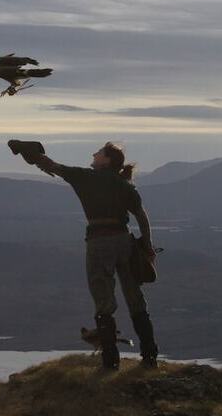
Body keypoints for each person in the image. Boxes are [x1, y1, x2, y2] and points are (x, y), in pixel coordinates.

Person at [27, 141, 159, 370]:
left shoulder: (85, 177)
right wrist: (147, 247)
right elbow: (142, 217)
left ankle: (110, 362)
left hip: (99, 243)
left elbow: (53, 166)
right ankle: (150, 357)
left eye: (98, 153)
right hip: (124, 241)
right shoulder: (125, 185)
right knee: (136, 300)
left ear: (106, 160)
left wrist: (28, 152)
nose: (93, 154)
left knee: (104, 303)